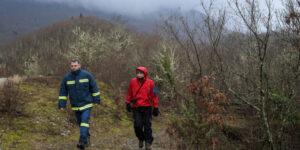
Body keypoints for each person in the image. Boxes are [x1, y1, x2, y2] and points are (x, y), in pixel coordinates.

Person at [58, 59, 100, 149]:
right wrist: (62, 105)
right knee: (81, 124)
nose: (73, 67)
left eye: (75, 65)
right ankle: (87, 138)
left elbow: (94, 88)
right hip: (75, 106)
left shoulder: (87, 75)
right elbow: (63, 92)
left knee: (84, 122)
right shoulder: (66, 78)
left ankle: (82, 141)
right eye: (72, 66)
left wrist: (96, 100)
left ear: (79, 65)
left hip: (87, 104)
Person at [125, 66, 160, 150]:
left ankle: (148, 142)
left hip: (147, 107)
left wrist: (156, 107)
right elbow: (129, 92)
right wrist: (127, 103)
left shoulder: (150, 83)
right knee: (137, 126)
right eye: (138, 73)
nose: (139, 74)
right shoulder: (132, 82)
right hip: (136, 107)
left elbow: (154, 96)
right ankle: (141, 138)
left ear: (145, 74)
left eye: (141, 73)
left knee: (147, 126)